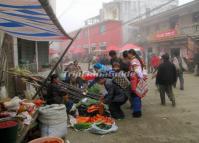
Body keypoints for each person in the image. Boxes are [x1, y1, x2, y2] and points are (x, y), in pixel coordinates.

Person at [128, 49, 145, 118]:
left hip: (135, 80)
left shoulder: (134, 61)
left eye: (128, 54)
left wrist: (141, 78)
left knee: (135, 96)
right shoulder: (136, 59)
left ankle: (137, 112)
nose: (128, 55)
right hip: (136, 79)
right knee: (137, 95)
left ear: (131, 54)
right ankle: (138, 111)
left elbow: (137, 70)